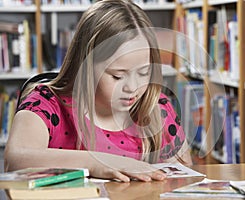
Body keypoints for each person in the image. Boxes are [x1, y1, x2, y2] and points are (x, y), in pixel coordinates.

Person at [4, 0, 192, 182]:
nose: (132, 87)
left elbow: (184, 178)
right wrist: (97, 162)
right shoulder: (46, 104)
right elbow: (15, 159)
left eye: (144, 72)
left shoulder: (157, 106)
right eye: (118, 76)